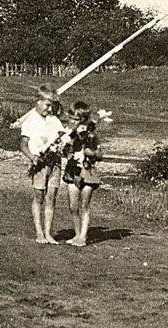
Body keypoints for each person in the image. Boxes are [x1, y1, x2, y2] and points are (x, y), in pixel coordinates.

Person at [19, 86, 66, 244]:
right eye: (47, 105)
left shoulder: (54, 120)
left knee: (51, 197)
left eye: (52, 105)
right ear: (38, 102)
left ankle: (48, 232)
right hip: (39, 164)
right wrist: (32, 157)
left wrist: (63, 145)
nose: (50, 108)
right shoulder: (30, 121)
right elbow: (23, 145)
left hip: (55, 163)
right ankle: (39, 232)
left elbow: (62, 139)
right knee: (39, 197)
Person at [62, 101, 104, 247]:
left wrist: (89, 152)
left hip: (88, 172)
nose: (73, 122)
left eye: (76, 119)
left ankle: (83, 237)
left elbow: (100, 155)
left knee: (84, 205)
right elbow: (64, 151)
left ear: (84, 120)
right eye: (71, 118)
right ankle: (77, 233)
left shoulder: (91, 135)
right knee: (73, 206)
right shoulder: (68, 134)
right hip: (72, 171)